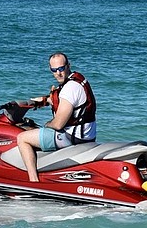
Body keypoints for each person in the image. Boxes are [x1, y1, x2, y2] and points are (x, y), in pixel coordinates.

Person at [16, 52, 97, 182]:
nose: (58, 73)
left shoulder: (69, 89)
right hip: (87, 135)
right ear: (50, 69)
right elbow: (68, 103)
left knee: (22, 138)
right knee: (34, 131)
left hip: (72, 138)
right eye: (54, 70)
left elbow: (58, 124)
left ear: (68, 65)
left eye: (61, 68)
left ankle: (33, 181)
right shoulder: (77, 80)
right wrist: (44, 100)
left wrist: (47, 125)